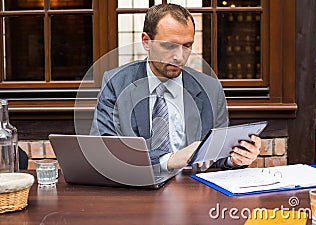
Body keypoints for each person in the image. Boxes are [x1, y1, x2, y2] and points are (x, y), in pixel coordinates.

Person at [90, 3, 261, 172]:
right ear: (146, 41)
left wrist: (235, 158)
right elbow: (103, 150)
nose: (179, 56)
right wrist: (168, 160)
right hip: (136, 190)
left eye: (187, 46)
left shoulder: (210, 88)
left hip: (194, 192)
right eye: (169, 46)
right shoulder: (116, 83)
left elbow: (215, 155)